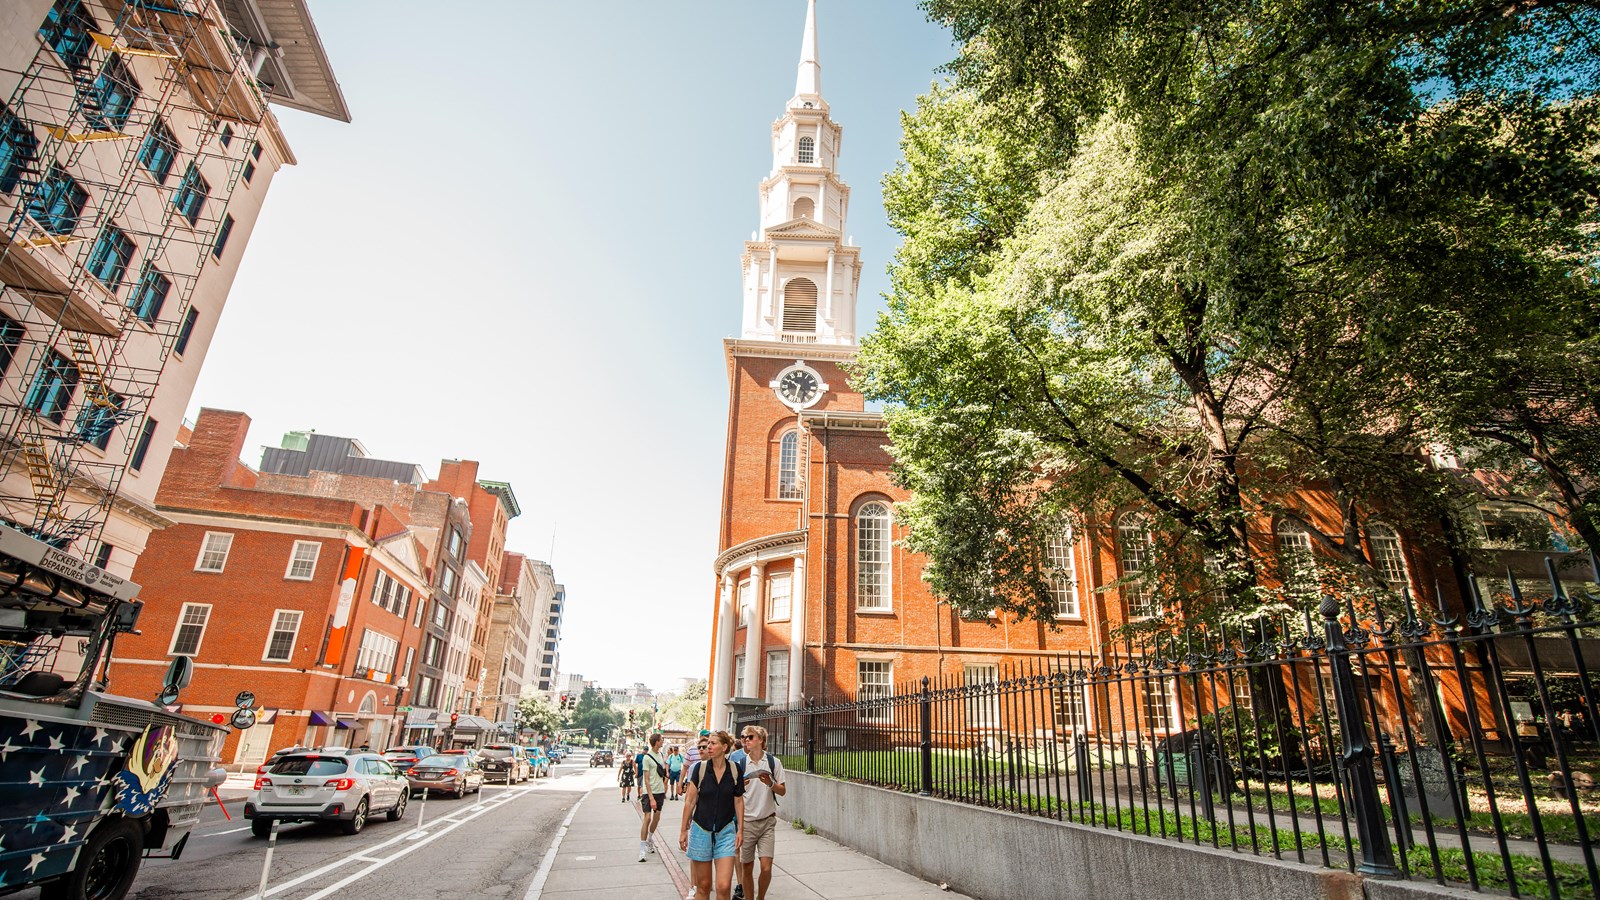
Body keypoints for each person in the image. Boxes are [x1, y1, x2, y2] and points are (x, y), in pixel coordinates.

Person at [680, 730, 744, 900]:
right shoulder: (699, 769)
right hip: (701, 831)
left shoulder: (735, 769)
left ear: (724, 747)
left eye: (713, 743)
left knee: (723, 887)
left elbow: (738, 801)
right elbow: (690, 801)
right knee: (704, 886)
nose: (709, 746)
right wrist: (683, 830)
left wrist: (740, 830)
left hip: (726, 832)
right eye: (708, 743)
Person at [729, 725, 785, 900]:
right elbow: (730, 794)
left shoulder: (773, 762)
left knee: (766, 867)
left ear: (760, 740)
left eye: (750, 737)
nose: (746, 739)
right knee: (747, 867)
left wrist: (770, 783)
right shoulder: (739, 764)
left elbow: (782, 791)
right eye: (744, 737)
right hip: (746, 822)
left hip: (767, 821)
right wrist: (739, 787)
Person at [636, 733, 670, 861]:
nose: (662, 742)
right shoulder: (647, 758)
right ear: (656, 742)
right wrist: (651, 798)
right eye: (661, 740)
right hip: (648, 792)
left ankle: (650, 838)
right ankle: (642, 849)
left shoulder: (661, 755)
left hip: (660, 791)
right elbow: (646, 779)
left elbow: (662, 772)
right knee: (647, 818)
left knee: (656, 818)